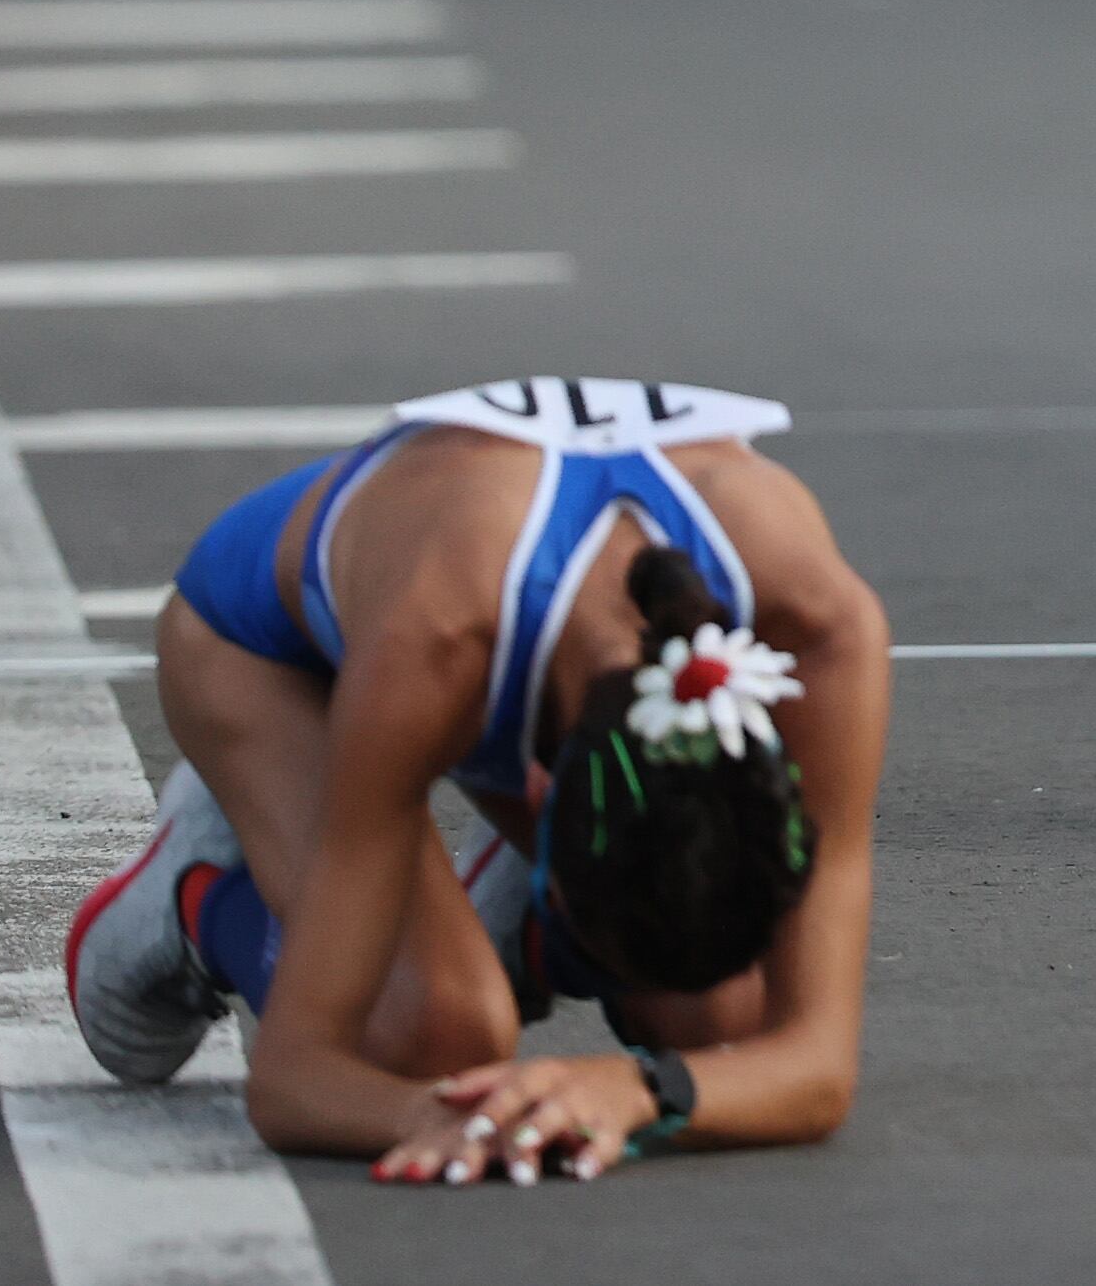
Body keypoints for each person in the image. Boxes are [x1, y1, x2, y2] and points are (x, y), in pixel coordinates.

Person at [60, 378, 891, 1182]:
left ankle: (504, 927)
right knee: (436, 1039)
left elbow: (816, 1065)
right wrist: (452, 1116)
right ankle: (197, 893)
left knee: (721, 1021)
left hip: (487, 651)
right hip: (268, 652)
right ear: (540, 800)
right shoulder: (439, 638)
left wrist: (637, 1088)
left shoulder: (823, 629)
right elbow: (293, 1082)